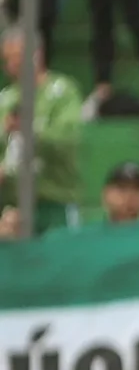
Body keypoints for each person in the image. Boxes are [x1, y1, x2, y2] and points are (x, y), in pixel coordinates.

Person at [0, 25, 81, 235]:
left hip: (54, 202)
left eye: (18, 57)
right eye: (7, 59)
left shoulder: (62, 92)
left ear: (38, 54)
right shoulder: (5, 99)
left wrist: (30, 132)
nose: (12, 65)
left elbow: (67, 140)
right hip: (14, 208)